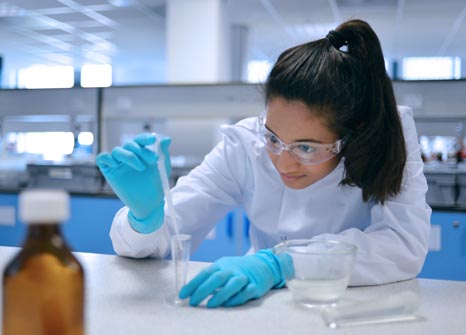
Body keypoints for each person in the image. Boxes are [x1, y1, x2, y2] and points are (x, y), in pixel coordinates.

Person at [96, 19, 431, 308]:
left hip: (354, 309)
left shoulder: (389, 137)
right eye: (273, 138)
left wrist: (281, 263)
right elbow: (168, 239)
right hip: (265, 306)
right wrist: (146, 219)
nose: (283, 163)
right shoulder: (244, 144)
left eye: (306, 147)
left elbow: (403, 245)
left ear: (352, 136)